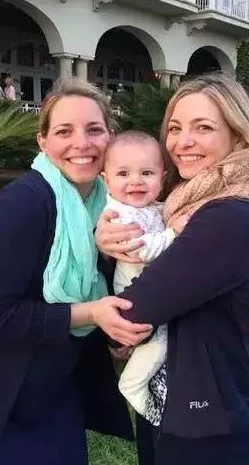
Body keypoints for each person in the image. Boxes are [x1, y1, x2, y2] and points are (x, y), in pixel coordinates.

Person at [0, 79, 153, 465]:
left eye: (94, 129)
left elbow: (100, 282)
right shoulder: (21, 207)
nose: (81, 143)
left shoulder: (109, 205)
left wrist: (110, 331)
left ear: (110, 137)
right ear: (43, 142)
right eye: (64, 131)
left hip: (49, 385)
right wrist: (91, 313)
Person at [96, 73, 249, 465]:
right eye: (175, 128)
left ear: (238, 137)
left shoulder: (230, 216)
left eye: (203, 128)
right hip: (178, 399)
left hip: (203, 410)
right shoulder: (189, 200)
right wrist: (107, 243)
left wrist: (92, 315)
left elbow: (138, 307)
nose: (182, 142)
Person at [101, 130, 181, 416]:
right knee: (159, 341)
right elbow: (141, 250)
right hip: (134, 294)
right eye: (123, 173)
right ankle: (133, 384)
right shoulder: (118, 214)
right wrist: (174, 233)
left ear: (162, 177)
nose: (135, 181)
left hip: (147, 288)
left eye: (146, 173)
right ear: (106, 180)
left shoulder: (149, 207)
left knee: (157, 338)